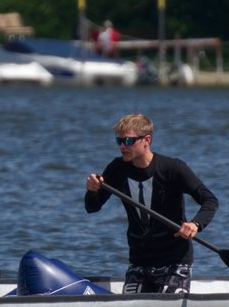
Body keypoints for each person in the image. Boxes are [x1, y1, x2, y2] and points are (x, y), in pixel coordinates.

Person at [85, 113, 218, 294]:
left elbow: (210, 200)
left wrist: (195, 224)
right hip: (139, 261)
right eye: (119, 141)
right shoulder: (117, 169)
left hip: (174, 261)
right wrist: (92, 190)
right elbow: (92, 207)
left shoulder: (173, 168)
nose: (123, 146)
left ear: (147, 140)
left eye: (128, 141)